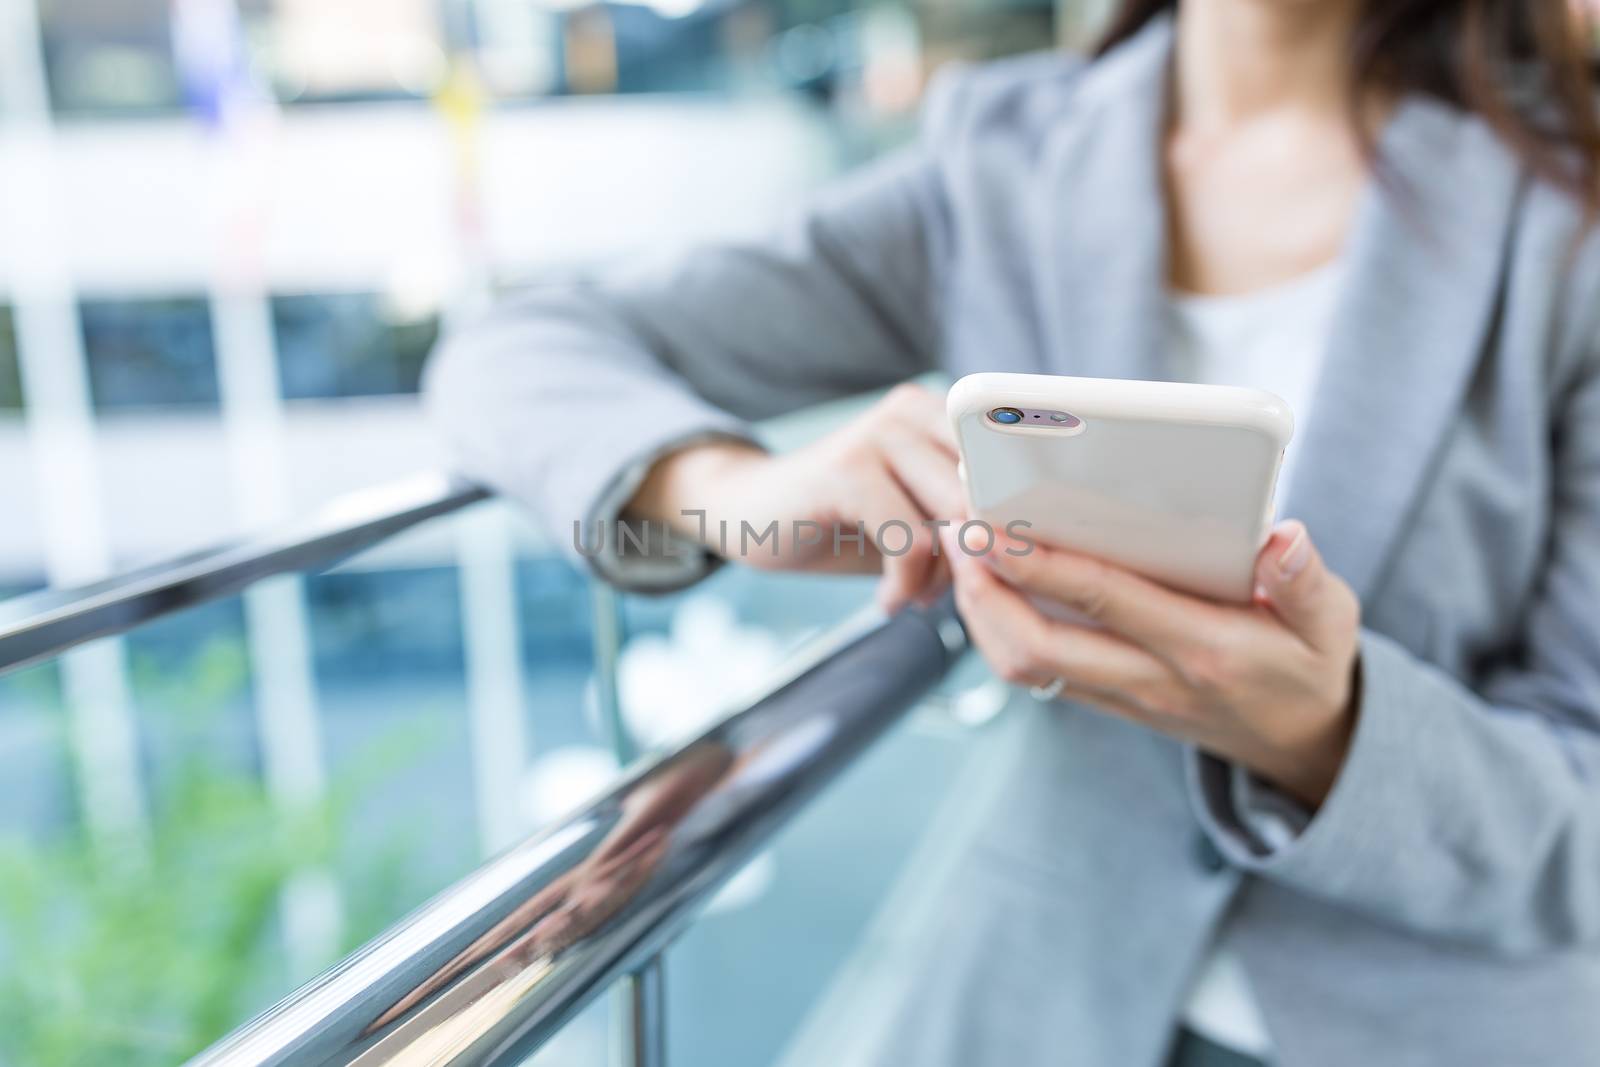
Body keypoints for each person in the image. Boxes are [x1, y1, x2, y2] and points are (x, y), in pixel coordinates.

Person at [424, 1, 1600, 1063]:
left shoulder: (1564, 214)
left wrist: (1327, 735)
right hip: (1047, 1002)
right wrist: (738, 495)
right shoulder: (1003, 165)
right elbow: (506, 354)